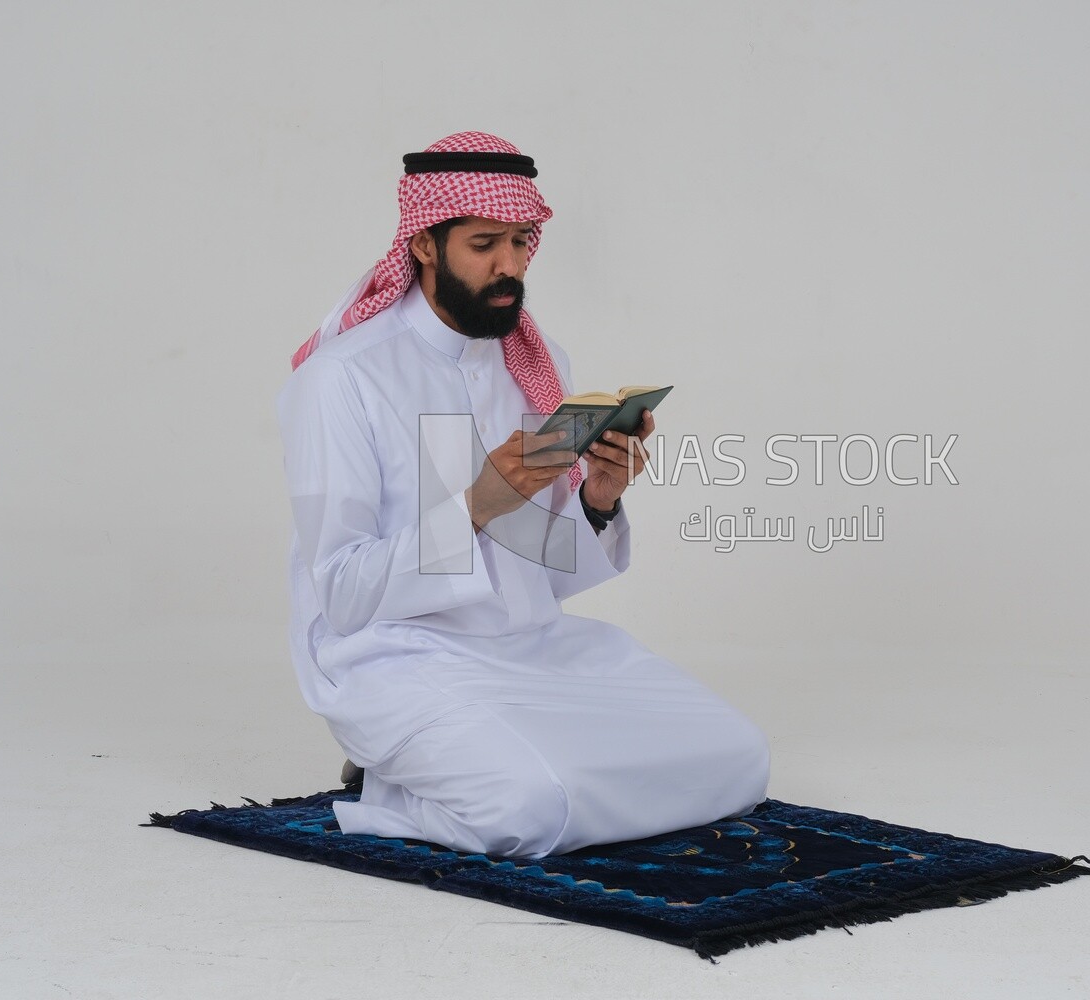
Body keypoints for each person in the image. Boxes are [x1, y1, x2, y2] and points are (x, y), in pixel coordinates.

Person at [275, 131, 771, 859]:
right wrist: (477, 503)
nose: (510, 265)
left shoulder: (536, 363)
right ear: (423, 244)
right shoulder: (344, 379)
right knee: (530, 806)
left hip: (540, 654)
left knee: (739, 758)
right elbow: (344, 595)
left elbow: (542, 576)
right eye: (484, 244)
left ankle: (474, 762)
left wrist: (598, 498)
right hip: (401, 657)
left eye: (522, 240)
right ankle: (392, 785)